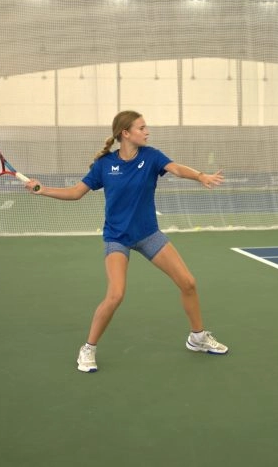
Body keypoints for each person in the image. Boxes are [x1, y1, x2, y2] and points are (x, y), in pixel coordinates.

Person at [24, 110, 229, 372]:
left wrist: (200, 176)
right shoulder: (104, 165)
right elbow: (76, 192)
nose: (147, 132)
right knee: (115, 294)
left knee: (188, 283)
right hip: (117, 238)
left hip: (148, 234)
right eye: (142, 128)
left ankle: (198, 338)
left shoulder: (151, 156)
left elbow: (176, 169)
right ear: (126, 133)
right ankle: (88, 348)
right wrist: (43, 190)